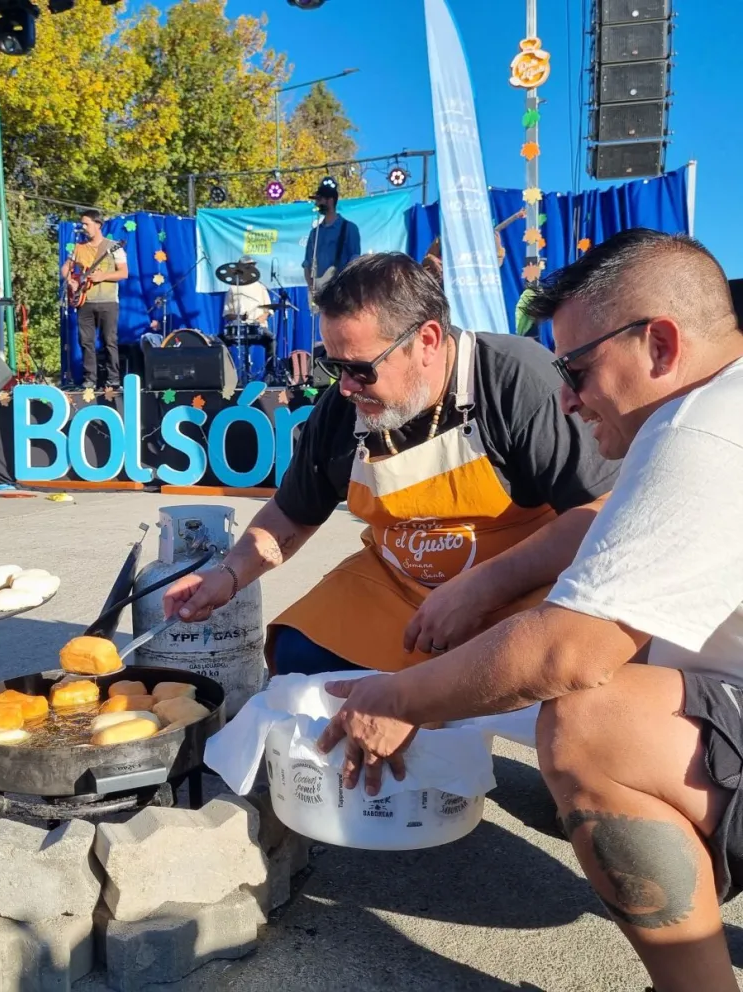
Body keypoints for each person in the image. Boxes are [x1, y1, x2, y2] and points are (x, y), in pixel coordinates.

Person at [316, 230, 743, 992]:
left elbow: (565, 653)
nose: (569, 396)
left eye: (578, 368)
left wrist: (399, 696)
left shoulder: (700, 430)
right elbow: (601, 528)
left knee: (589, 724)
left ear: (662, 345)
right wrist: (482, 586)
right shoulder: (711, 407)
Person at [164, 252, 618, 676]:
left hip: (522, 587)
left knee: (569, 698)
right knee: (295, 654)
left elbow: (602, 513)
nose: (344, 386)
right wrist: (227, 575)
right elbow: (291, 513)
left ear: (427, 341)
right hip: (399, 587)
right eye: (332, 365)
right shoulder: (342, 406)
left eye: (360, 368)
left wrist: (484, 589)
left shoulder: (517, 380)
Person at [61, 210, 128, 390]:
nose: (83, 228)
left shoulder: (114, 246)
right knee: (86, 342)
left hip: (108, 302)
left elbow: (124, 272)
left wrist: (104, 276)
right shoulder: (78, 248)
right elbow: (65, 269)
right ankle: (89, 380)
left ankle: (113, 379)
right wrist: (71, 282)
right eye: (82, 224)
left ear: (98, 225)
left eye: (86, 224)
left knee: (109, 341)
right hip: (85, 301)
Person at [303, 177, 361, 308]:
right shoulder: (315, 233)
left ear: (330, 200)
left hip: (342, 291)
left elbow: (355, 261)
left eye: (319, 200)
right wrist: (312, 288)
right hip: (319, 291)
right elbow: (307, 264)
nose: (316, 204)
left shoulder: (349, 228)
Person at [222, 255, 278, 379]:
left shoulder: (260, 286)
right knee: (221, 341)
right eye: (248, 266)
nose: (251, 268)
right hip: (239, 329)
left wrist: (262, 318)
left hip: (258, 328)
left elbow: (268, 309)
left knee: (271, 339)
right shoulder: (233, 287)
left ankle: (270, 376)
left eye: (252, 266)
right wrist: (240, 317)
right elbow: (227, 314)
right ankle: (227, 376)